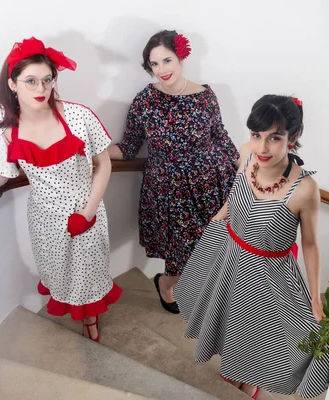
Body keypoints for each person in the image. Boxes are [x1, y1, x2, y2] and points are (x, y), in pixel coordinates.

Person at [0, 37, 121, 342]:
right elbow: (2, 174)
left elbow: (104, 164)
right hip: (45, 220)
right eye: (30, 81)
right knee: (63, 275)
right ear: (13, 84)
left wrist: (89, 211)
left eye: (46, 80)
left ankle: (91, 320)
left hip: (87, 211)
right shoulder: (7, 130)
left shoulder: (79, 116)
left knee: (88, 274)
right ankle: (79, 312)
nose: (40, 89)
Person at [174, 95, 329, 398]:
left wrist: (315, 297)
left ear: (293, 137)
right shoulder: (248, 155)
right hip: (229, 254)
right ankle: (233, 372)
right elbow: (234, 197)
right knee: (224, 319)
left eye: (274, 138)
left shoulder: (305, 189)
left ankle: (250, 381)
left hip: (267, 273)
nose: (262, 148)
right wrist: (214, 225)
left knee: (259, 333)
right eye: (256, 135)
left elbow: (310, 244)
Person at [107, 30, 238, 314]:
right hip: (169, 192)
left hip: (210, 186)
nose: (162, 70)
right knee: (181, 258)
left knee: (213, 250)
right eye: (154, 64)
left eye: (167, 61)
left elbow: (220, 137)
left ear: (180, 58)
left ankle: (201, 294)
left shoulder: (206, 96)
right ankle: (166, 284)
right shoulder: (144, 101)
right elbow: (128, 146)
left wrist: (246, 169)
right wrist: (95, 155)